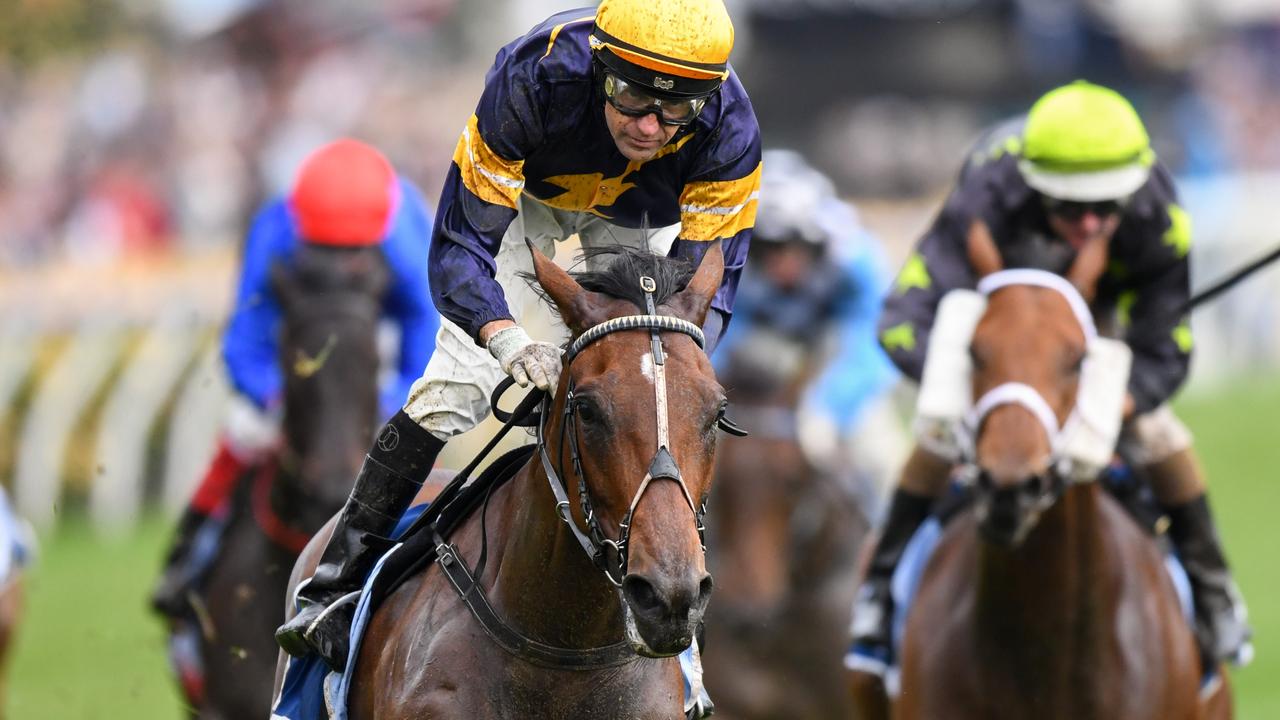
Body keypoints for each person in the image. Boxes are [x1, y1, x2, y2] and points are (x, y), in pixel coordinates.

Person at [274, 0, 761, 671]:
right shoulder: (533, 75)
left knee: (663, 402)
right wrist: (504, 337)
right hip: (519, 219)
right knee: (457, 388)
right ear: (600, 70)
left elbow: (712, 280)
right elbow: (459, 245)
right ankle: (334, 586)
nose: (650, 125)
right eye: (631, 100)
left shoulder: (731, 126)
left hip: (633, 234)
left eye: (675, 112)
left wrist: (667, 361)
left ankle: (684, 640)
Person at [848, 81, 1252, 673]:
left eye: (1104, 209)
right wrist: (981, 394)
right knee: (934, 438)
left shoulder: (1156, 207)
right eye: (1069, 208)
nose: (1088, 225)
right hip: (999, 330)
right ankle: (878, 593)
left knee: (1162, 438)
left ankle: (1214, 591)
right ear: (1035, 186)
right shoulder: (989, 187)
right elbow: (904, 320)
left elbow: (1167, 349)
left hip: (1093, 331)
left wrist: (1108, 404)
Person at [150, 138, 438, 617]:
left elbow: (426, 336)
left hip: (371, 345)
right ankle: (187, 557)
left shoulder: (404, 230)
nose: (339, 265)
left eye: (352, 254)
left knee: (426, 441)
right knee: (243, 431)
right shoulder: (274, 229)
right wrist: (275, 396)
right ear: (303, 230)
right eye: (324, 251)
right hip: (297, 345)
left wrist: (391, 400)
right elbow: (243, 341)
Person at [714, 149, 905, 513]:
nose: (781, 264)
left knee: (883, 461)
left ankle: (887, 556)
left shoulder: (856, 259)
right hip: (760, 372)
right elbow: (718, 336)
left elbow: (872, 347)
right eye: (768, 249)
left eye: (793, 248)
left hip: (835, 367)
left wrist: (828, 408)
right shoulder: (729, 257)